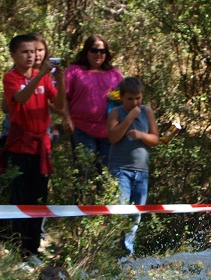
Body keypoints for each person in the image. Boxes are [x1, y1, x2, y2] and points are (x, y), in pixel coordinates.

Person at [0, 33, 65, 261]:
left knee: (39, 197)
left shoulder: (43, 76)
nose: (30, 56)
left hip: (41, 147)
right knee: (21, 197)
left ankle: (33, 248)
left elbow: (59, 103)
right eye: (25, 52)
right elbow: (21, 97)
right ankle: (20, 249)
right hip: (20, 146)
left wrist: (61, 79)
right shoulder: (11, 77)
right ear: (14, 55)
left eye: (34, 51)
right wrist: (42, 75)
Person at [107, 76, 160, 256]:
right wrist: (129, 118)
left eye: (138, 98)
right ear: (121, 97)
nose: (135, 102)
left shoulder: (147, 111)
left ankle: (127, 253)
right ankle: (113, 251)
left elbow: (155, 139)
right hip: (121, 170)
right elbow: (113, 137)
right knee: (120, 211)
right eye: (130, 98)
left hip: (142, 172)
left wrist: (141, 135)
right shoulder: (116, 112)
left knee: (135, 216)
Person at [63, 34, 124, 174]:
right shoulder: (74, 71)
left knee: (107, 175)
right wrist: (67, 119)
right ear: (86, 51)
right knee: (85, 173)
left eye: (102, 51)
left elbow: (128, 97)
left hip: (108, 131)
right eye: (94, 50)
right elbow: (64, 97)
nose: (98, 54)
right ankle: (84, 196)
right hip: (81, 129)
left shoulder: (114, 74)